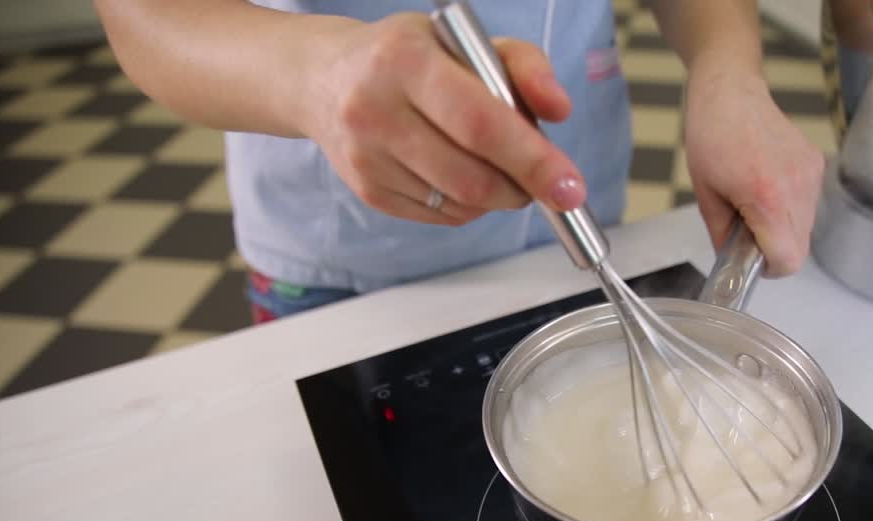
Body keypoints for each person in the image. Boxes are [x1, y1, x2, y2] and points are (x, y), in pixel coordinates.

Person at [93, 1, 835, 322]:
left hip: (579, 227)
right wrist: (319, 77)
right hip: (341, 264)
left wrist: (727, 67)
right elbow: (146, 16)